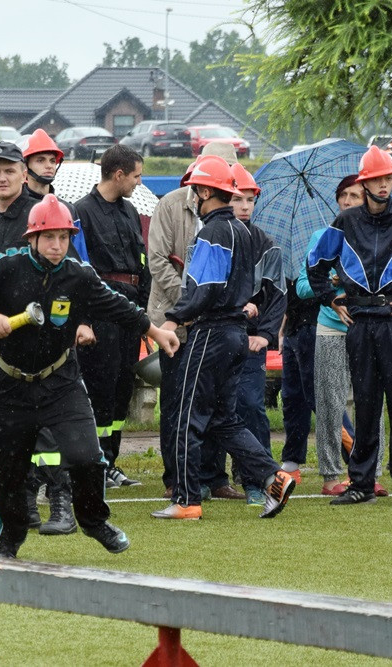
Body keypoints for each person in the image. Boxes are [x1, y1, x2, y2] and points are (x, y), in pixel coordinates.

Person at [0, 193, 180, 558]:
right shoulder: (7, 265)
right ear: (31, 238)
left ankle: (95, 522)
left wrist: (154, 331)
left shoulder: (78, 274)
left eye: (64, 237)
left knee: (86, 457)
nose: (57, 245)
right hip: (8, 385)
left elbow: (116, 304)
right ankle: (9, 541)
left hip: (60, 381)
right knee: (9, 471)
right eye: (49, 237)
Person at [151, 155, 297, 521]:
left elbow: (204, 286)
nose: (193, 199)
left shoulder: (213, 232)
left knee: (187, 414)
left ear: (203, 190)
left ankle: (186, 500)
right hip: (235, 334)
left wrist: (173, 319)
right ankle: (272, 476)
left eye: (194, 191)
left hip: (210, 332)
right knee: (223, 419)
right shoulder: (246, 232)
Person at [146, 143, 246, 501]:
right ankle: (176, 478)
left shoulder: (229, 216)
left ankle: (215, 477)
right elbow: (156, 262)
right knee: (177, 403)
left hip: (209, 324)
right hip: (178, 322)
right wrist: (187, 305)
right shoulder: (169, 205)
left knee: (218, 403)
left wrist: (199, 302)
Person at [307, 145, 392, 506]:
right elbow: (315, 266)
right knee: (365, 402)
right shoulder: (345, 222)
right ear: (365, 182)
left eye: (389, 177)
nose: (384, 184)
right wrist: (329, 298)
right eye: (377, 178)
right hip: (360, 324)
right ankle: (361, 483)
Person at [296, 175, 385, 495]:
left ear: (367, 200)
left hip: (372, 327)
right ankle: (331, 476)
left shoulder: (381, 236)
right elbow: (303, 285)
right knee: (331, 403)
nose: (348, 201)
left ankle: (370, 474)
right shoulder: (324, 235)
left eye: (355, 196)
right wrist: (333, 282)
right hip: (331, 328)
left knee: (370, 403)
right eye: (343, 195)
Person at [72, 145, 150, 488]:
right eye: (135, 176)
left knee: (121, 388)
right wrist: (84, 319)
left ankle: (112, 461)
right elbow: (79, 271)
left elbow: (141, 260)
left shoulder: (131, 211)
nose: (137, 182)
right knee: (99, 389)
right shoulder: (81, 212)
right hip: (101, 310)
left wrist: (143, 311)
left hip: (130, 311)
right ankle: (95, 463)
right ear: (118, 174)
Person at [225, 163, 286, 504]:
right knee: (213, 407)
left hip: (250, 339)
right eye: (237, 198)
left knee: (250, 404)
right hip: (216, 336)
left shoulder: (267, 243)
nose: (245, 205)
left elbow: (277, 293)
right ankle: (207, 478)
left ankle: (257, 481)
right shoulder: (212, 237)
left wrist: (264, 334)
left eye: (250, 199)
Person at [21, 129, 63, 201]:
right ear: (25, 166)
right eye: (40, 160)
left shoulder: (66, 208)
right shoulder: (13, 207)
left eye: (52, 161)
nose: (49, 166)